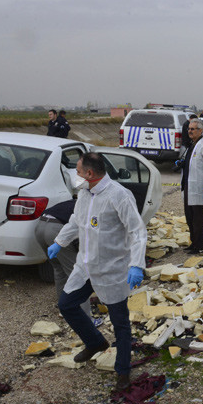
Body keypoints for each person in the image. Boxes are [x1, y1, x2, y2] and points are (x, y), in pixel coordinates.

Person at [46, 151, 146, 390]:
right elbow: (75, 221)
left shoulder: (119, 196)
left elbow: (137, 231)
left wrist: (136, 264)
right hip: (86, 265)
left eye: (79, 172)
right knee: (67, 304)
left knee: (120, 322)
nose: (76, 176)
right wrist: (59, 242)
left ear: (90, 173)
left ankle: (123, 370)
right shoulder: (85, 193)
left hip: (112, 269)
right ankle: (95, 342)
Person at [33, 199, 96, 322]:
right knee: (78, 275)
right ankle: (85, 319)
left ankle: (64, 310)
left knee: (58, 269)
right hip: (56, 230)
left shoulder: (73, 202)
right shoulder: (91, 207)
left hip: (39, 227)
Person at [176, 118, 203, 252]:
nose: (190, 131)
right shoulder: (192, 146)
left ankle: (200, 245)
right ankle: (194, 242)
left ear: (200, 130)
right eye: (189, 129)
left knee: (198, 219)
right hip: (188, 187)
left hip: (199, 188)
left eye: (193, 129)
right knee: (190, 217)